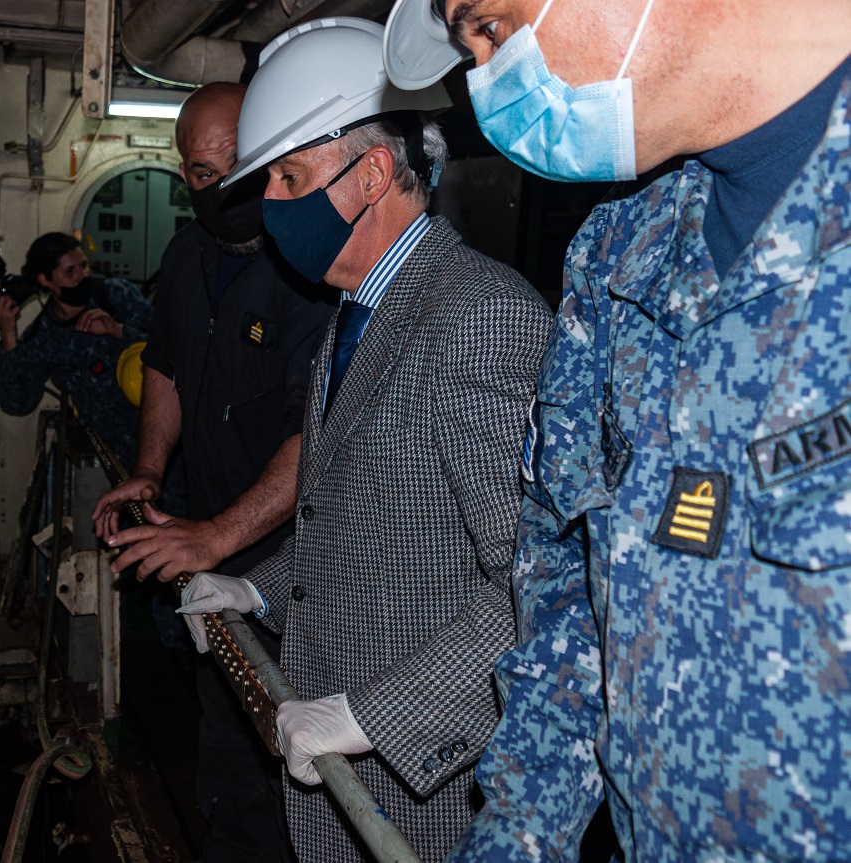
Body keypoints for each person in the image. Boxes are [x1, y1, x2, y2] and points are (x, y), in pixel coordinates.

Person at [379, 0, 851, 859]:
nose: (486, 83)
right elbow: (569, 605)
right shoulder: (617, 256)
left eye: (489, 26)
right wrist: (517, 839)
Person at [175, 18, 551, 862]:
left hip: (420, 790)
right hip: (342, 775)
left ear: (373, 171)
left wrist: (368, 716)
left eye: (289, 175)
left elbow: (538, 582)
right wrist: (256, 592)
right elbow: (358, 515)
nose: (269, 203)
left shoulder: (477, 317)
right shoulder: (359, 307)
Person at [91, 82, 335, 862]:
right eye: (202, 172)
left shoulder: (312, 269)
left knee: (299, 763)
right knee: (228, 741)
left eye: (241, 161)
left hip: (301, 562)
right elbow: (165, 364)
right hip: (210, 542)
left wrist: (219, 534)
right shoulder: (187, 254)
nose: (223, 184)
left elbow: (321, 432)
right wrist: (150, 470)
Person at [0, 232, 151, 469]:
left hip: (164, 434)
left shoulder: (115, 296)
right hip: (119, 458)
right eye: (70, 272)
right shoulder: (45, 336)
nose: (81, 275)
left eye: (83, 266)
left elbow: (176, 346)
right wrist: (8, 334)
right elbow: (17, 402)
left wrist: (118, 331)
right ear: (46, 280)